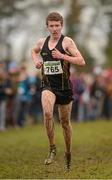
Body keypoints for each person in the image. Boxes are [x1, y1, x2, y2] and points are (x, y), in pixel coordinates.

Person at [31, 12, 85, 170]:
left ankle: (68, 152)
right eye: (51, 26)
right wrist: (36, 61)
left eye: (57, 25)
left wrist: (63, 56)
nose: (54, 28)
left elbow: (81, 61)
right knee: (47, 113)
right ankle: (52, 147)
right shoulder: (42, 42)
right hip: (48, 86)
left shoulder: (67, 42)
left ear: (61, 25)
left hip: (64, 89)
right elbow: (33, 51)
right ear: (47, 26)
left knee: (65, 123)